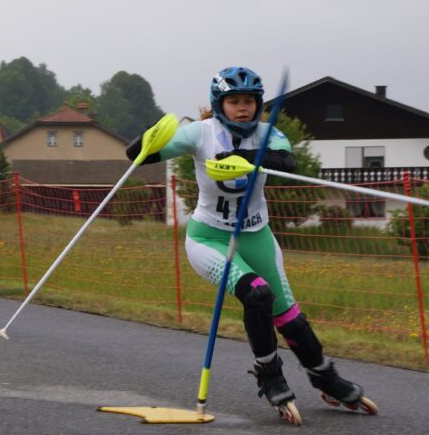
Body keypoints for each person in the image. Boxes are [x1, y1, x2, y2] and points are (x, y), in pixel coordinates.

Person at [126, 66, 366, 413]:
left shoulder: (268, 134)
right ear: (219, 104)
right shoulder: (200, 133)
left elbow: (287, 161)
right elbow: (138, 156)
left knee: (290, 317)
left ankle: (324, 377)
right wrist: (149, 137)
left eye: (249, 101)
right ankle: (269, 375)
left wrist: (244, 158)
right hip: (210, 239)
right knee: (257, 295)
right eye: (234, 101)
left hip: (257, 236)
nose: (242, 108)